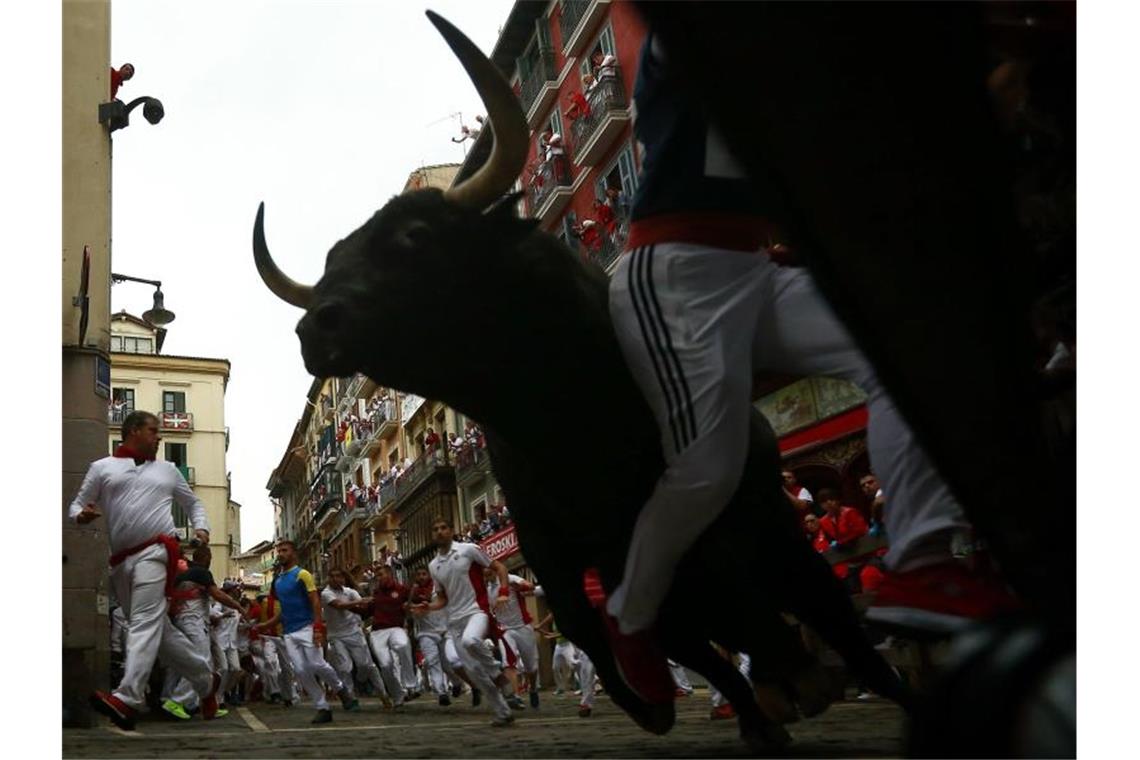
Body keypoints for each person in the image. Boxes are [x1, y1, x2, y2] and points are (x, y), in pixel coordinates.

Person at [594, 28, 1020, 702]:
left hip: (757, 268)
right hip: (673, 272)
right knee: (708, 470)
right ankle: (630, 616)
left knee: (913, 350)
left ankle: (924, 560)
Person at [69, 410, 221, 730]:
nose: (159, 436)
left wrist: (203, 528)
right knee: (161, 633)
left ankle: (128, 697)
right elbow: (76, 505)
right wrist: (81, 515)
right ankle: (206, 682)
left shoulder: (167, 470)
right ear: (134, 431)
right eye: (153, 430)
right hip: (121, 560)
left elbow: (193, 503)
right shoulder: (102, 468)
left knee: (143, 621)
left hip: (157, 551)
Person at [412, 516, 517, 727]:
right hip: (454, 620)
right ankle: (502, 712)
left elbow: (500, 568)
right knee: (475, 672)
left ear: (451, 530)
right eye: (435, 529)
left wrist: (504, 592)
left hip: (476, 611)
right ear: (432, 535)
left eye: (444, 528)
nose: (440, 532)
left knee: (471, 641)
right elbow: (442, 598)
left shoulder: (468, 550)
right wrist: (428, 607)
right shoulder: (434, 566)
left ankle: (498, 674)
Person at [257, 540, 354, 724]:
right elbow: (284, 611)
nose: (280, 554)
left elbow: (315, 601)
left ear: (294, 554)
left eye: (284, 551)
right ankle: (322, 707)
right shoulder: (278, 582)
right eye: (279, 551)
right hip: (289, 633)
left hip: (307, 628)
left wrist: (317, 628)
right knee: (301, 670)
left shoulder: (303, 574)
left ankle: (340, 688)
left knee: (317, 664)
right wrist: (265, 625)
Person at [160, 545, 248, 720]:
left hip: (180, 621)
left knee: (182, 663)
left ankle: (183, 702)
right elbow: (218, 595)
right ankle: (177, 701)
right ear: (207, 558)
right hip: (194, 623)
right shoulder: (202, 573)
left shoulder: (183, 574)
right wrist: (238, 606)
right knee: (200, 662)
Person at [320, 567, 379, 711]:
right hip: (336, 636)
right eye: (332, 576)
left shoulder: (350, 592)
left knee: (364, 664)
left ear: (343, 579)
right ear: (328, 578)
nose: (335, 579)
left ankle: (361, 681)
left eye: (338, 576)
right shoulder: (326, 593)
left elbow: (363, 605)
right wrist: (361, 601)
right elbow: (339, 605)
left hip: (354, 633)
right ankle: (350, 698)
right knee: (345, 668)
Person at [361, 564, 418, 707]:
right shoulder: (376, 593)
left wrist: (413, 605)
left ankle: (410, 683)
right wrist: (356, 605)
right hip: (378, 632)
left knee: (403, 644)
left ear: (389, 574)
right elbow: (366, 613)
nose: (379, 578)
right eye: (377, 576)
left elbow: (415, 600)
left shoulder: (402, 589)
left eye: (381, 574)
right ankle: (397, 695)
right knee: (386, 665)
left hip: (396, 628)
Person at [485, 568, 541, 708]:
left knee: (531, 666)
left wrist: (523, 586)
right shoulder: (486, 590)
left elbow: (529, 585)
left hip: (522, 627)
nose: (486, 573)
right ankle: (515, 696)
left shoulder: (509, 578)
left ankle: (533, 689)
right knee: (508, 662)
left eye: (488, 569)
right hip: (504, 630)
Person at [410, 567, 453, 706]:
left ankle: (457, 682)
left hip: (444, 629)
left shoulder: (438, 588)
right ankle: (441, 692)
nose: (421, 577)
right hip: (426, 632)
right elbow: (411, 612)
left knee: (448, 663)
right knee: (432, 661)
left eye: (424, 574)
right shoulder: (413, 593)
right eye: (418, 574)